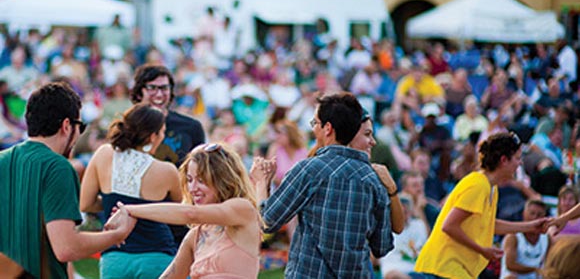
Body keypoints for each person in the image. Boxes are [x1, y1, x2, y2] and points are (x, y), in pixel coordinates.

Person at [0, 82, 135, 278]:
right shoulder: (58, 167)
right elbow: (66, 248)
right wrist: (117, 235)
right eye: (81, 126)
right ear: (66, 126)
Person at [255, 92, 394, 278]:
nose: (314, 129)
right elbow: (382, 246)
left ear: (328, 128)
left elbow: (267, 221)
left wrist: (261, 183)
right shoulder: (373, 179)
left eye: (315, 124)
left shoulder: (308, 170)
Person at [107, 142, 261, 279]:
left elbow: (190, 214)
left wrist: (129, 210)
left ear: (222, 180)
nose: (193, 189)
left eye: (201, 180)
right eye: (189, 180)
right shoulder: (195, 235)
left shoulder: (242, 209)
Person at [413, 132, 549, 279]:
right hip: (444, 268)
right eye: (517, 158)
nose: (520, 163)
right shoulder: (478, 185)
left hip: (457, 270)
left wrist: (531, 226)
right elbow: (449, 226)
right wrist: (482, 250)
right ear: (504, 160)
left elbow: (490, 224)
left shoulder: (491, 187)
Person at [80, 103, 182, 279]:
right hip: (156, 256)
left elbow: (86, 203)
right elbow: (180, 212)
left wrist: (113, 206)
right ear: (152, 136)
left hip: (114, 258)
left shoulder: (103, 154)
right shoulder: (166, 171)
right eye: (162, 131)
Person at [131, 63, 205, 167]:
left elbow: (200, 168)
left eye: (164, 88)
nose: (159, 94)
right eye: (152, 88)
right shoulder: (128, 126)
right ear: (139, 93)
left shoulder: (191, 127)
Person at [500, 200, 551, 279]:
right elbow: (510, 265)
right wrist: (534, 269)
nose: (535, 217)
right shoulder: (513, 237)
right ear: (524, 214)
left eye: (539, 215)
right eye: (532, 213)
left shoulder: (547, 238)